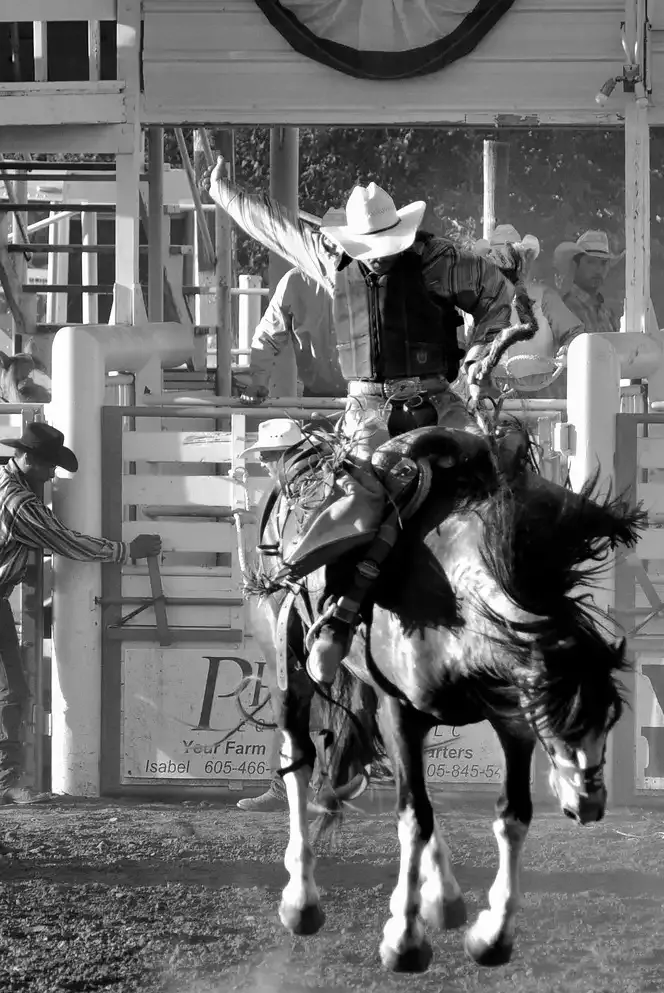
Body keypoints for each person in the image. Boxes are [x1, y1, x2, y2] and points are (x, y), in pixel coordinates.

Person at [201, 156, 513, 684]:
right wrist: (222, 191)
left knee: (495, 473)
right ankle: (337, 619)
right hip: (368, 408)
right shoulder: (331, 256)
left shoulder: (443, 260)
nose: (377, 261)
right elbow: (273, 226)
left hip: (441, 398)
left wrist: (479, 362)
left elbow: (497, 301)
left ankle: (515, 596)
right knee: (358, 497)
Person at [0, 421, 162, 804]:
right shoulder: (20, 503)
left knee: (11, 688)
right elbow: (65, 541)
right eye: (45, 464)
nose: (51, 472)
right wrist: (125, 551)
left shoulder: (8, 490)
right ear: (24, 459)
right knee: (11, 689)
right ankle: (6, 779)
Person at [233, 418, 357, 814]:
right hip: (316, 602)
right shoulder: (311, 483)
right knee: (312, 693)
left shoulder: (307, 489)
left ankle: (306, 782)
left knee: (292, 692)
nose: (268, 466)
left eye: (270, 457)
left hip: (310, 604)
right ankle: (324, 780)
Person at [240, 207, 347, 405]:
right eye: (331, 245)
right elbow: (267, 336)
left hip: (364, 396)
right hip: (318, 397)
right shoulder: (295, 281)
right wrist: (259, 381)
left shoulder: (369, 279)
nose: (335, 252)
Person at [473, 223, 583, 393]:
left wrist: (568, 350)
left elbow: (575, 334)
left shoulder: (544, 297)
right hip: (488, 393)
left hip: (540, 392)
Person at [553, 230, 624, 334]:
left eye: (603, 263)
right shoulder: (565, 310)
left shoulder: (607, 313)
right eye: (591, 262)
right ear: (575, 265)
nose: (599, 270)